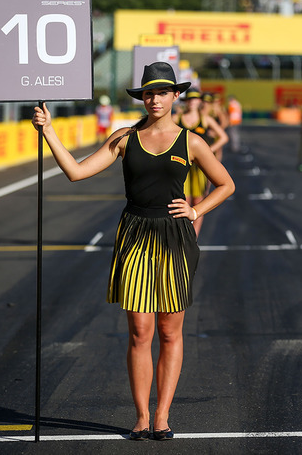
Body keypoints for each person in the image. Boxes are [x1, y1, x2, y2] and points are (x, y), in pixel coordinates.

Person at [31, 62, 234, 441]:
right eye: (148, 93)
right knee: (140, 330)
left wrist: (196, 209)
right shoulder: (124, 138)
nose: (154, 99)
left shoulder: (191, 141)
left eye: (162, 92)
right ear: (142, 97)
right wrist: (49, 132)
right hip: (135, 234)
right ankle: (141, 416)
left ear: (176, 96)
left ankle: (163, 415)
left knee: (169, 331)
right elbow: (76, 172)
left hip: (175, 237)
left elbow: (225, 184)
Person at [176, 88, 229, 236]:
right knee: (183, 201)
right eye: (190, 99)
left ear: (199, 101)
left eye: (195, 99)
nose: (192, 102)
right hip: (182, 165)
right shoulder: (177, 118)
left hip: (200, 167)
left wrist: (208, 151)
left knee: (199, 202)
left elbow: (223, 137)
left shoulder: (205, 119)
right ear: (186, 101)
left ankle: (194, 236)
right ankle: (184, 235)